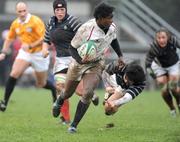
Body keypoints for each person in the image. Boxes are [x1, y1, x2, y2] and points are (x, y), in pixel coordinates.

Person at [52, 2, 124, 133]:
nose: (111, 19)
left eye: (112, 16)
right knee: (67, 93)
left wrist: (120, 56)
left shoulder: (112, 27)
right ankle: (60, 100)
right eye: (109, 17)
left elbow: (113, 39)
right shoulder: (86, 29)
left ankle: (73, 125)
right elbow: (72, 47)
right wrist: (81, 60)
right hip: (78, 63)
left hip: (96, 63)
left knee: (88, 93)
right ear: (100, 18)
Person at [42, 0, 99, 124]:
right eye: (57, 10)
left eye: (62, 10)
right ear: (54, 11)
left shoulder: (73, 21)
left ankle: (90, 94)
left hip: (75, 59)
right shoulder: (51, 23)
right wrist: (44, 50)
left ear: (66, 10)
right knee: (59, 87)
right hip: (60, 60)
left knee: (77, 91)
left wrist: (88, 51)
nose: (60, 12)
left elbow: (86, 36)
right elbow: (46, 39)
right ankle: (66, 119)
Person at [0, 1, 57, 112]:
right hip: (25, 53)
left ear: (27, 10)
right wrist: (3, 52)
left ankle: (54, 92)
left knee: (41, 84)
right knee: (14, 74)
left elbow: (44, 38)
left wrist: (31, 45)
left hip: (39, 54)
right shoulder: (15, 23)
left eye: (24, 11)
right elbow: (9, 38)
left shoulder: (35, 21)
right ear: (16, 12)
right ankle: (4, 103)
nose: (22, 13)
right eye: (20, 11)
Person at [145, 28, 180, 117]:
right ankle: (172, 108)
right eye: (159, 38)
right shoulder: (153, 47)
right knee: (164, 89)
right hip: (159, 67)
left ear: (167, 37)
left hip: (173, 65)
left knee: (173, 87)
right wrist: (154, 77)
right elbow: (147, 65)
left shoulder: (173, 40)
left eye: (163, 37)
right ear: (156, 39)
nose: (161, 40)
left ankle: (179, 103)